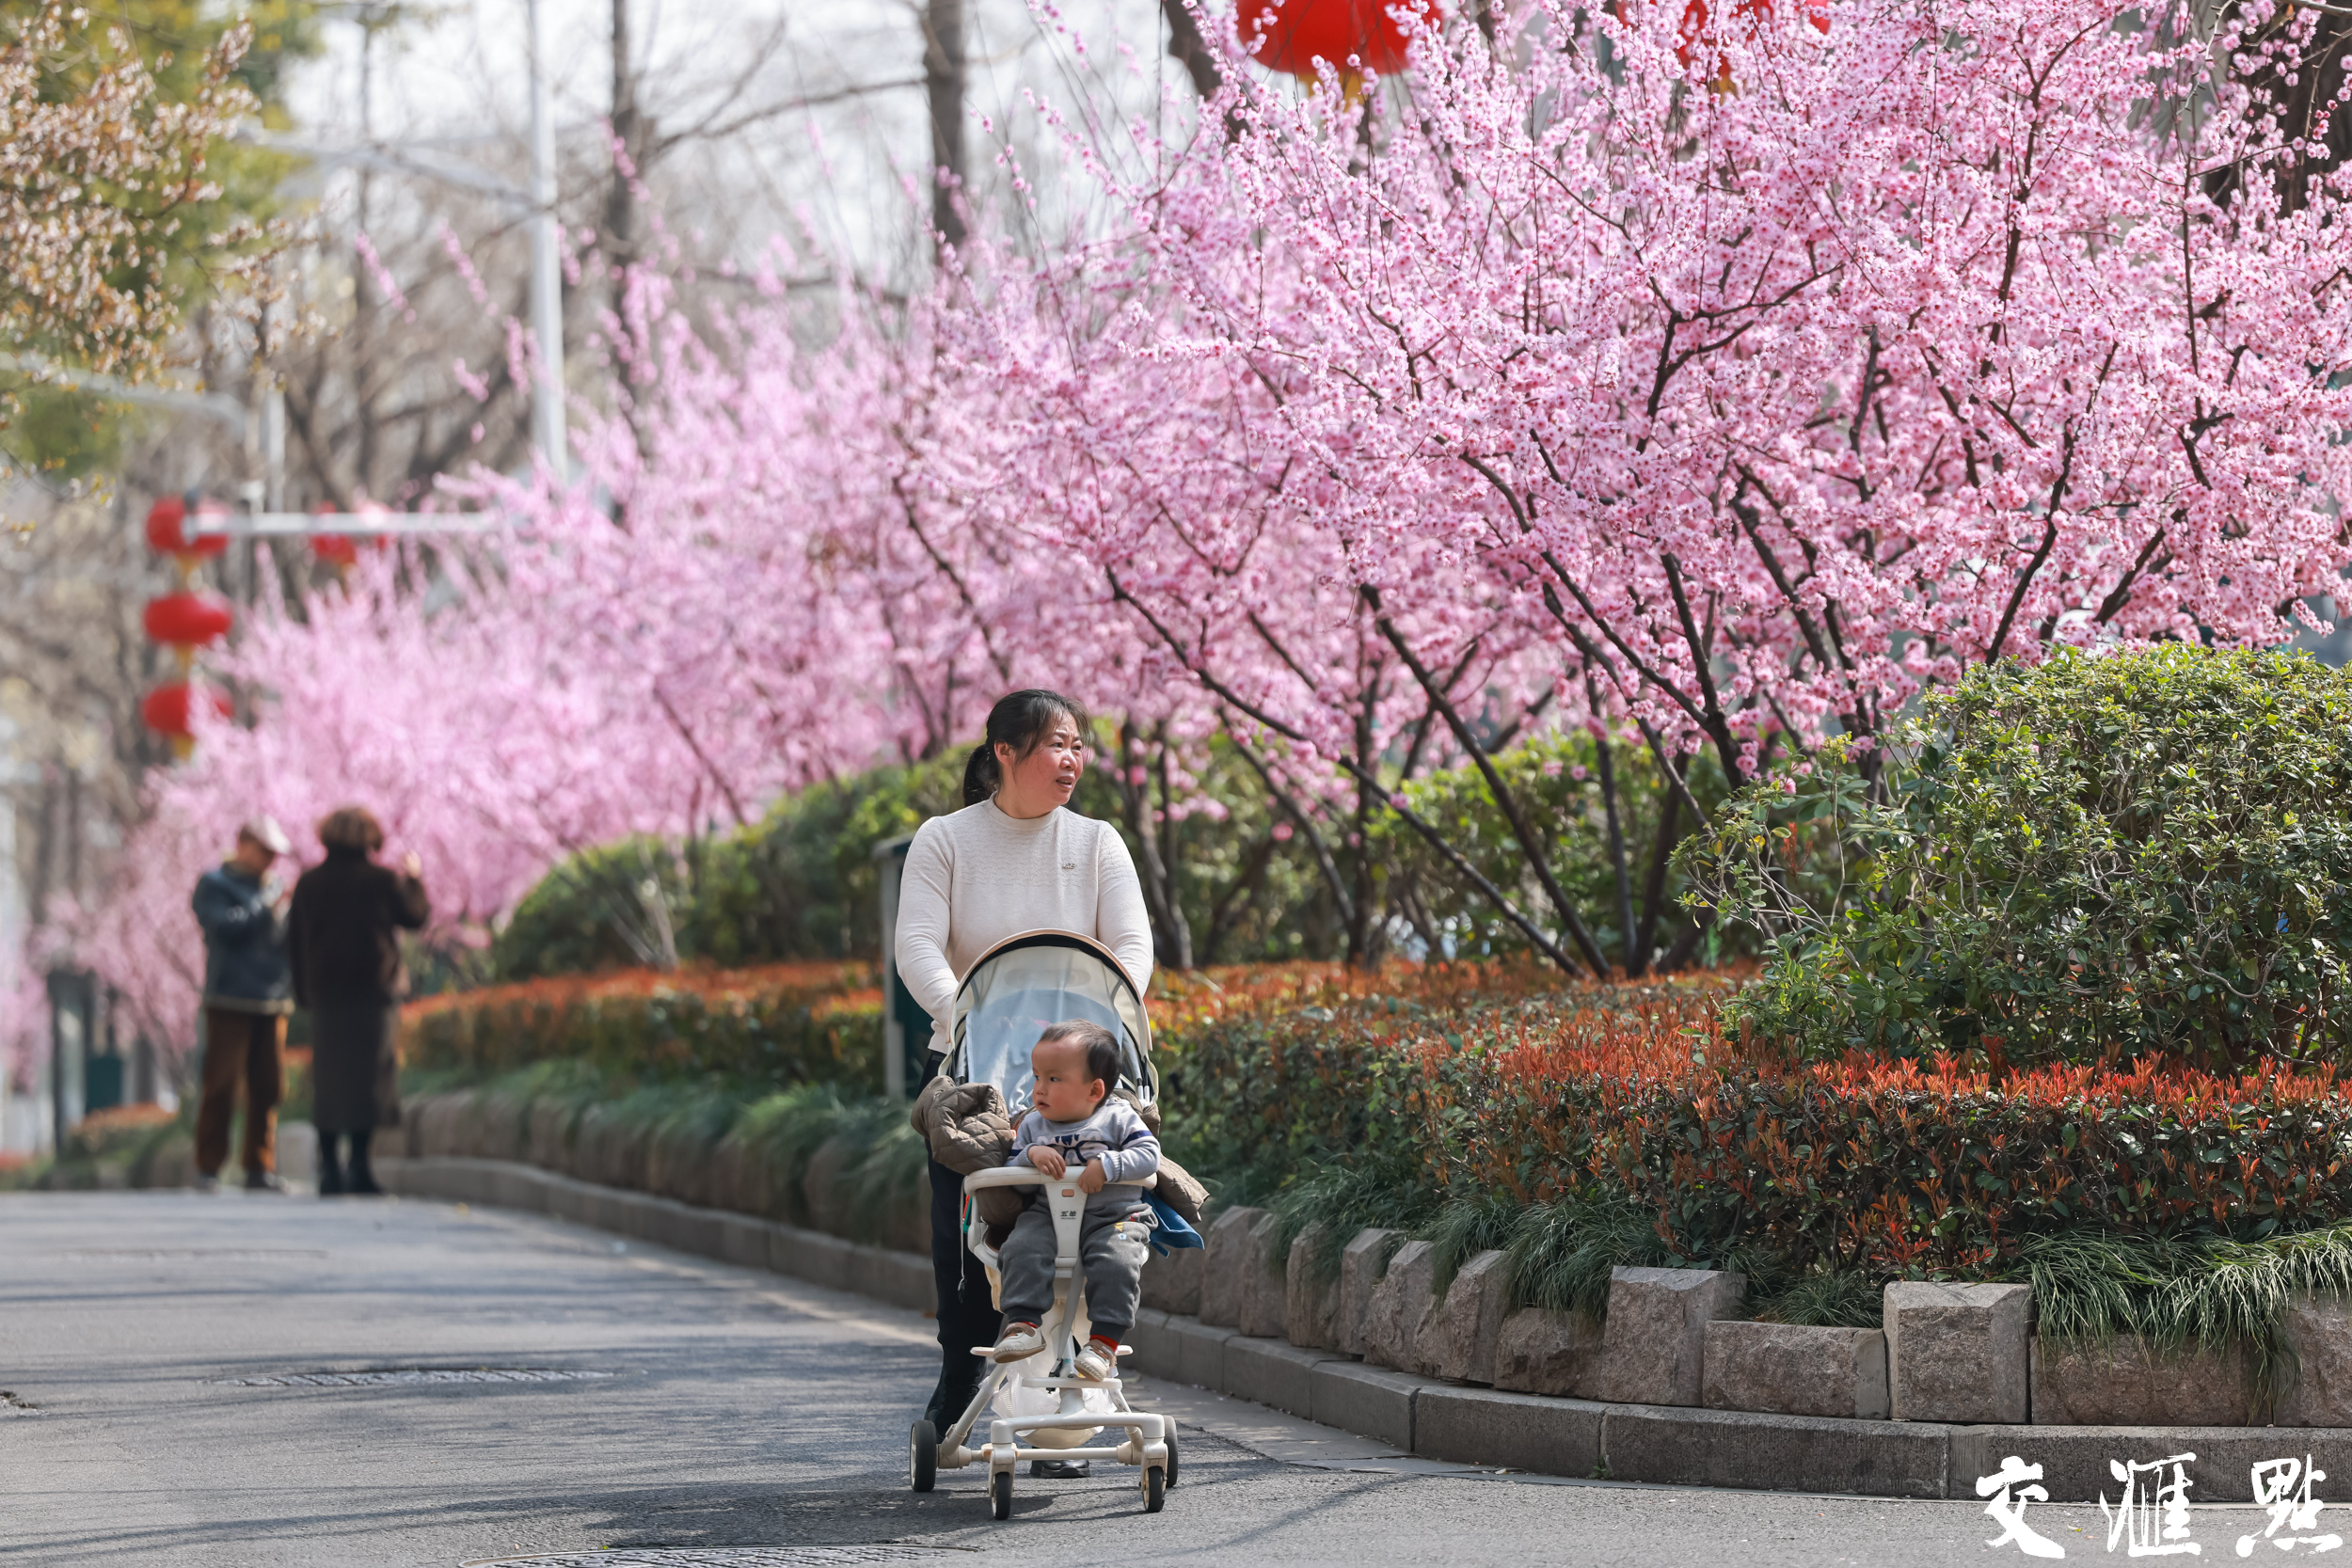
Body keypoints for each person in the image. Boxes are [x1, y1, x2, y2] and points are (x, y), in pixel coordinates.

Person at [895, 689, 1154, 1434]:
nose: (1071, 759)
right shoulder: (945, 839)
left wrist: (1093, 1032)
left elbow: (1130, 948)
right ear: (1004, 752)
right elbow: (917, 944)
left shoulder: (1099, 841)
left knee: (1091, 1221)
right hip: (973, 1069)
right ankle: (959, 1371)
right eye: (1054, 744)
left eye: (1077, 745)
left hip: (1080, 1071)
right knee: (969, 1226)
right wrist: (968, 1016)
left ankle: (1072, 1384)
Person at [988, 1022, 1159, 1381]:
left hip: (1115, 1216)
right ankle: (1023, 1324)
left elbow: (1149, 1155)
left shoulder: (1118, 1118)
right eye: (1036, 1077)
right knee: (1020, 1246)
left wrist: (1108, 1165)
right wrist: (1031, 1154)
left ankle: (1103, 1344)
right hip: (1047, 1214)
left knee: (1119, 1259)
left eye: (1053, 1079)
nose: (1038, 1089)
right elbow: (1010, 1164)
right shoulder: (1034, 1125)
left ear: (1095, 1089)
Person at [289, 806, 428, 1196]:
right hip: (374, 992)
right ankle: (360, 1168)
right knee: (371, 1079)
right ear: (370, 837)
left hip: (327, 994)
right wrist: (414, 880)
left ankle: (330, 1170)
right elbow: (415, 918)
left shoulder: (309, 883)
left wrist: (303, 992)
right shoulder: (382, 880)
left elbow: (295, 942)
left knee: (330, 1081)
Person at [190, 816, 296, 1193]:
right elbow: (222, 928)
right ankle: (208, 1167)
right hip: (229, 998)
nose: (270, 860)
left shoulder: (274, 888)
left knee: (268, 1085)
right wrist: (266, 905)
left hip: (272, 999)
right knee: (220, 1085)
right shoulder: (214, 884)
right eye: (264, 851)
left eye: (275, 854)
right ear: (243, 844)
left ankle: (258, 1167)